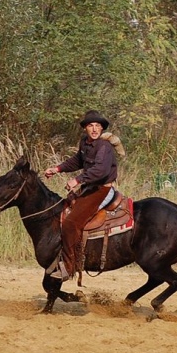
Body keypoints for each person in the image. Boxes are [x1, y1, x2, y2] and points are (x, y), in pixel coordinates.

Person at [44, 110, 118, 280]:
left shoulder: (104, 147)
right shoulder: (85, 143)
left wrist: (77, 180)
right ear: (85, 128)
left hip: (102, 190)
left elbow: (100, 170)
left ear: (101, 129)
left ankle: (69, 268)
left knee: (71, 223)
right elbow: (77, 161)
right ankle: (61, 257)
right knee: (62, 211)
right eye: (90, 125)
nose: (94, 129)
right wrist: (57, 169)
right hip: (90, 188)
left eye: (97, 126)